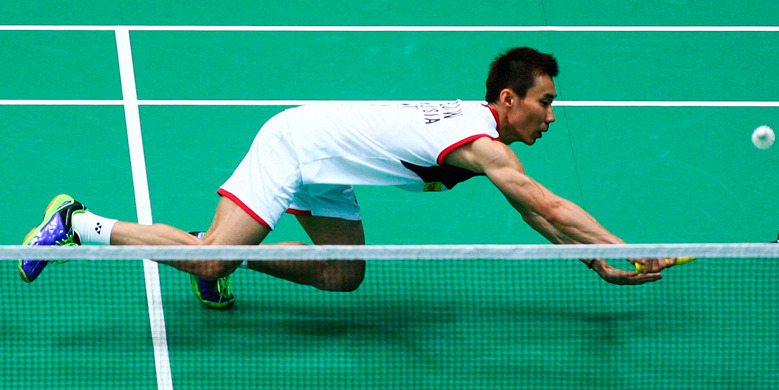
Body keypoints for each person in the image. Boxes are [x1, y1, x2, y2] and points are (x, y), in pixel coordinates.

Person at [18, 47, 674, 308]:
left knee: (342, 275)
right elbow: (548, 206)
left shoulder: (486, 137)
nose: (552, 114)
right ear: (509, 99)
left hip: (329, 161)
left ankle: (211, 247)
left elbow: (532, 213)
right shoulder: (481, 144)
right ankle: (77, 223)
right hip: (297, 146)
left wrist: (594, 262)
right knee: (211, 261)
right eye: (545, 102)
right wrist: (627, 249)